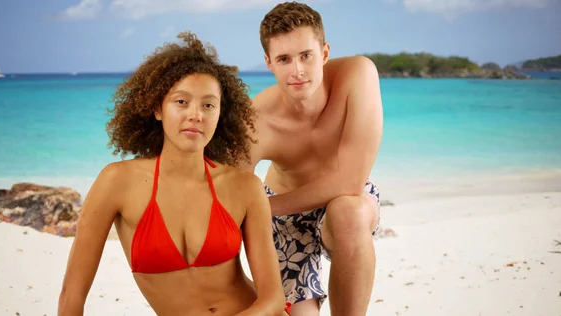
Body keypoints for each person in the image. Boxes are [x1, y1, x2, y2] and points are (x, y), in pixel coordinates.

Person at [58, 31, 291, 316]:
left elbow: (273, 299)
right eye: (181, 102)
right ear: (157, 108)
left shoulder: (245, 187)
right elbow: (72, 296)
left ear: (220, 115)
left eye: (208, 104)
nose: (196, 115)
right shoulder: (117, 182)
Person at [239, 2, 384, 315]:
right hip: (284, 220)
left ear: (325, 52)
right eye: (284, 59)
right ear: (269, 63)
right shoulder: (254, 120)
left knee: (349, 209)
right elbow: (232, 196)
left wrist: (262, 207)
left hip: (344, 202)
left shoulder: (358, 75)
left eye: (306, 55)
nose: (297, 71)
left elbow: (350, 180)